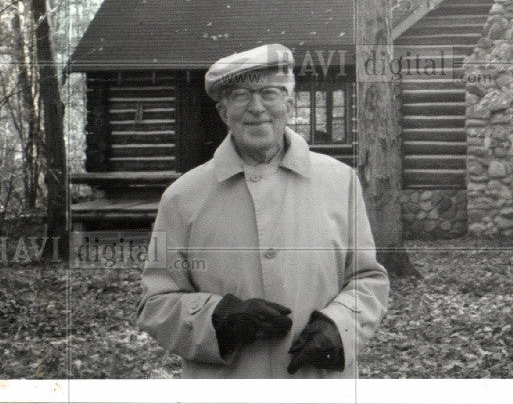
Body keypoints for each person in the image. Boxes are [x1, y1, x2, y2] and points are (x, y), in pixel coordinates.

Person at [136, 43, 389, 378]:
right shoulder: (182, 197)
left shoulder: (340, 182)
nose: (256, 107)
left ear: (289, 102)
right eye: (241, 94)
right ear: (224, 111)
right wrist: (218, 318)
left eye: (269, 92)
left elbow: (367, 279)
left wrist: (340, 326)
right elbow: (156, 304)